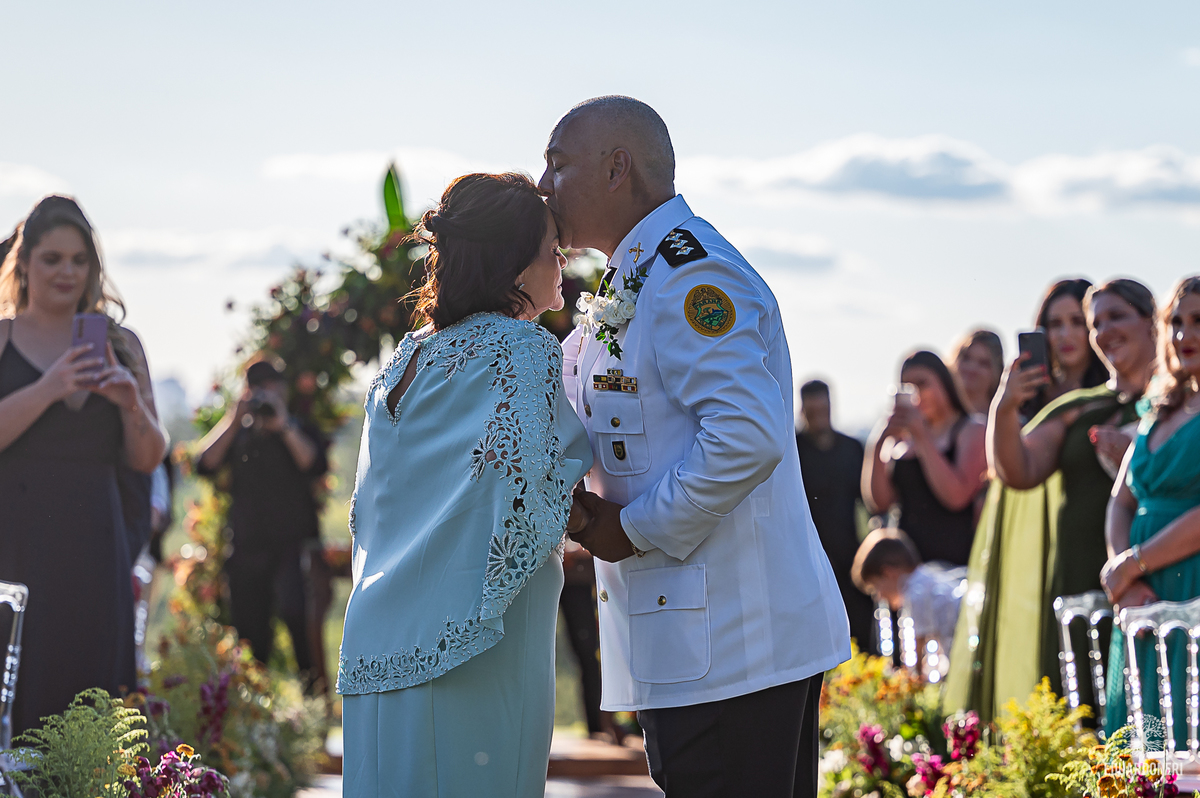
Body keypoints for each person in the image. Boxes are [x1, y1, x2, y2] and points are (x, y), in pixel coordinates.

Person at [545, 96, 850, 798]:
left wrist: (633, 528)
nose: (543, 186)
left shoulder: (689, 274)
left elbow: (747, 435)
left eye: (558, 165)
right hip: (693, 647)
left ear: (617, 167)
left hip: (736, 648)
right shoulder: (637, 273)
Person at [336, 172, 593, 798]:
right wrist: (605, 523)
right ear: (513, 264)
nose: (561, 263)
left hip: (378, 633)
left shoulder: (407, 356)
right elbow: (530, 489)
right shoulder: (521, 347)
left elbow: (378, 503)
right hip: (477, 639)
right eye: (552, 248)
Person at [945, 278, 1158, 722]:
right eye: (1097, 322)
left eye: (1115, 317)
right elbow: (1017, 470)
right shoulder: (1081, 407)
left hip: (1157, 571)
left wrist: (1137, 461)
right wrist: (1004, 409)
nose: (1103, 331)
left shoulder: (1176, 405)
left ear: (1151, 321)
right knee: (1079, 713)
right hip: (1078, 578)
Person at [0, 195, 166, 734]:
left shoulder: (123, 345)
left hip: (97, 543)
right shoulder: (1, 340)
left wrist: (130, 405)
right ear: (24, 263)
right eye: (52, 258)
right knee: (22, 690)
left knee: (95, 700)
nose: (67, 272)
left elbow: (148, 457)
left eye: (79, 260)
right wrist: (51, 388)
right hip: (15, 546)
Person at [1099, 275, 1200, 743]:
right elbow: (1122, 498)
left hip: (1191, 590)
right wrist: (1124, 574)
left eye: (1199, 322)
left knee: (1186, 733)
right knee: (1145, 736)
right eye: (1176, 323)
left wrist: (1135, 562)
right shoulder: (1159, 407)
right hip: (1142, 595)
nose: (1184, 335)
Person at [196, 359, 328, 682]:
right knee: (251, 638)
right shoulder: (238, 434)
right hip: (246, 549)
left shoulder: (298, 427)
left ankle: (313, 705)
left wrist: (282, 426)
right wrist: (234, 417)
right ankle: (258, 717)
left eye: (271, 388)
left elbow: (314, 464)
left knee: (300, 623)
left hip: (291, 548)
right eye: (258, 389)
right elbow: (205, 464)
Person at [862, 350, 988, 567]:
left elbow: (957, 497)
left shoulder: (971, 429)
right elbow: (880, 502)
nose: (916, 394)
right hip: (906, 570)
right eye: (907, 387)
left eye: (922, 384)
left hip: (954, 565)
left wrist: (922, 438)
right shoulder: (902, 439)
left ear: (945, 383)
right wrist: (880, 442)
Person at [796, 379, 875, 655]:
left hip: (850, 557)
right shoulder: (792, 452)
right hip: (807, 560)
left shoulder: (852, 449)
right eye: (812, 411)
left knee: (860, 635)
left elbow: (869, 503)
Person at [851, 528, 965, 666]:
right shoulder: (927, 579)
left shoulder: (916, 593)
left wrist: (911, 679)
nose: (878, 597)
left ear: (888, 573)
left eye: (875, 588)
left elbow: (917, 649)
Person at [1022, 278, 1110, 419]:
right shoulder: (1028, 397)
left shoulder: (1114, 391)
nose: (1066, 335)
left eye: (1077, 322)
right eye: (1055, 324)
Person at [952, 329, 1004, 418]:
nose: (971, 368)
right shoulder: (934, 417)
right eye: (966, 358)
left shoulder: (1005, 420)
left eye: (983, 363)